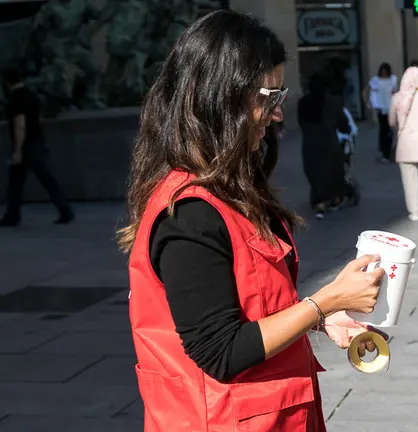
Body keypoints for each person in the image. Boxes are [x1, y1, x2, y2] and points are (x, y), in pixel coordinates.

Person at [116, 11, 385, 432]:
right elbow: (221, 351)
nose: (278, 114)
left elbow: (248, 305)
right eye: (270, 97)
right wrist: (325, 301)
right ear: (221, 96)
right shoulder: (189, 213)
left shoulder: (225, 189)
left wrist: (317, 317)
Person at [1, 66, 74, 227]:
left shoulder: (16, 98)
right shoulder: (31, 95)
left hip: (26, 146)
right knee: (46, 180)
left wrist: (17, 150)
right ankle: (65, 210)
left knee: (15, 183)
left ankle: (12, 216)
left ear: (6, 81)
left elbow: (20, 124)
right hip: (37, 142)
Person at [298, 73, 350, 219]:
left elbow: (301, 122)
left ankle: (319, 201)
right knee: (333, 170)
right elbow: (343, 123)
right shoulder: (333, 102)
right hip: (329, 141)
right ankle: (335, 198)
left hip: (310, 143)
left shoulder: (303, 102)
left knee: (314, 171)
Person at [389, 66, 418, 222]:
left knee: (409, 181)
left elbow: (391, 122)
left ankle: (414, 211)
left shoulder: (396, 98)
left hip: (405, 146)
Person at [363, 62, 397, 163]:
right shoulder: (375, 80)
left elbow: (395, 90)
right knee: (384, 129)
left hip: (390, 107)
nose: (384, 74)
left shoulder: (393, 79)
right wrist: (367, 102)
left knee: (389, 130)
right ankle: (384, 151)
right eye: (382, 72)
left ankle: (388, 150)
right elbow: (366, 90)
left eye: (385, 72)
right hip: (380, 108)